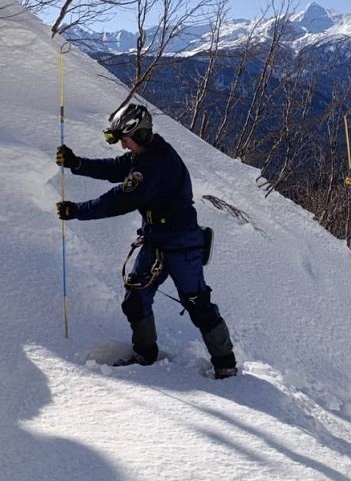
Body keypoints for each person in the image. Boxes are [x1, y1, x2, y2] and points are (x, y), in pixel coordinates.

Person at [55, 103, 237, 379]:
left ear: (138, 135)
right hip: (155, 240)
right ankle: (145, 355)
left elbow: (120, 199)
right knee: (135, 299)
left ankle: (226, 365)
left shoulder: (155, 164)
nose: (123, 147)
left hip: (182, 245)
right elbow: (117, 169)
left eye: (125, 140)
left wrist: (77, 210)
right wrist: (76, 164)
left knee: (198, 304)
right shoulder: (148, 151)